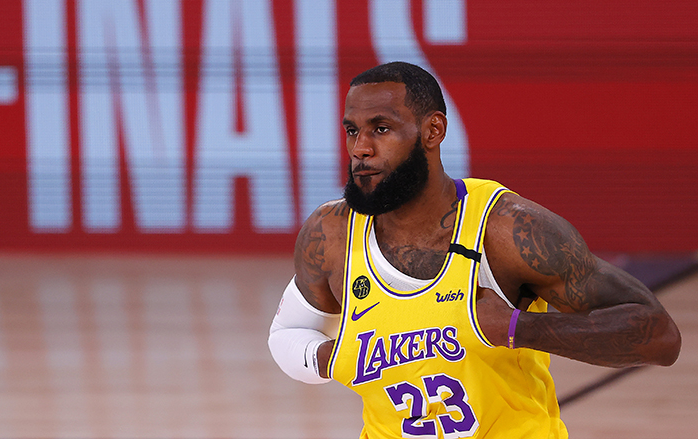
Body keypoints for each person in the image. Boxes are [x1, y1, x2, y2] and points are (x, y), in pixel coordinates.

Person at [268, 61, 681, 438]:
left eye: (381, 129)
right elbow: (288, 333)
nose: (360, 148)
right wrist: (330, 357)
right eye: (352, 131)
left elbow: (658, 335)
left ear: (433, 131)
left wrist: (519, 329)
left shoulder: (508, 230)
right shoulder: (332, 233)